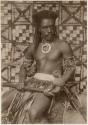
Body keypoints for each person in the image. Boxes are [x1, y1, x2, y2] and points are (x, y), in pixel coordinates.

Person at [2, 10, 78, 123]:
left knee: (34, 113)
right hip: (32, 83)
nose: (50, 31)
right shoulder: (34, 47)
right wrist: (21, 81)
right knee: (3, 102)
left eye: (52, 27)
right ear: (39, 29)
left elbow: (71, 67)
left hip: (50, 86)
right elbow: (24, 67)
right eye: (46, 27)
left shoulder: (63, 45)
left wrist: (62, 79)